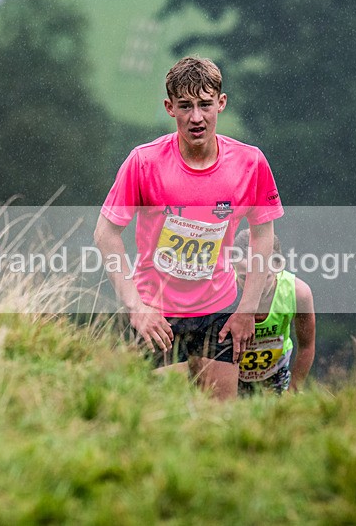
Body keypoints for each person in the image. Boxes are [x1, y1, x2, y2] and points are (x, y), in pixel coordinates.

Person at [94, 56, 284, 400]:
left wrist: (247, 310)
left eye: (205, 105)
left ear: (220, 104)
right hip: (158, 312)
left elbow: (263, 235)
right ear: (170, 108)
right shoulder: (143, 162)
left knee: (220, 422)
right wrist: (136, 307)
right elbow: (105, 234)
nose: (196, 117)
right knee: (160, 421)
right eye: (185, 106)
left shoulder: (250, 163)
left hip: (219, 311)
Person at [232, 229, 316, 395]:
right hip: (230, 373)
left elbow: (306, 347)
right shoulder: (224, 291)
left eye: (262, 277)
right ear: (232, 268)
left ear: (277, 265)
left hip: (275, 375)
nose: (254, 287)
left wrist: (292, 394)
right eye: (244, 278)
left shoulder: (298, 293)